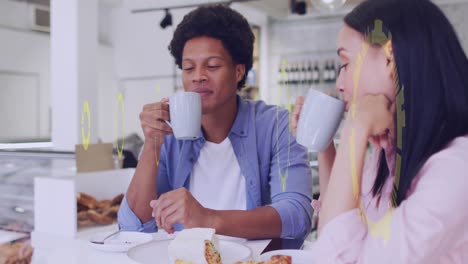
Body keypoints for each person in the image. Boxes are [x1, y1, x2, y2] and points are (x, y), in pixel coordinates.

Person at [291, 0, 468, 262]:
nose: (340, 83)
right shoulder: (387, 152)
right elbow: (336, 223)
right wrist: (325, 142)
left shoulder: (455, 168)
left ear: (390, 60)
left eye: (345, 63)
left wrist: (355, 128)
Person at [118, 4, 313, 240]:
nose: (198, 76)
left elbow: (297, 215)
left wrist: (207, 218)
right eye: (189, 68)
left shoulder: (275, 125)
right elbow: (132, 228)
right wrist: (151, 144)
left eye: (212, 66)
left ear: (239, 71)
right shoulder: (170, 135)